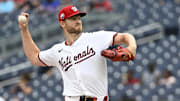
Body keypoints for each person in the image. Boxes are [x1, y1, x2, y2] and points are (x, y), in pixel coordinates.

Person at [18, 5, 137, 101]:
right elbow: (34, 58)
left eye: (79, 18)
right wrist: (24, 30)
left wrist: (131, 48)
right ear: (62, 23)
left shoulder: (97, 38)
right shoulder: (57, 51)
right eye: (73, 19)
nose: (78, 21)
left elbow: (126, 36)